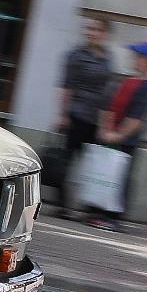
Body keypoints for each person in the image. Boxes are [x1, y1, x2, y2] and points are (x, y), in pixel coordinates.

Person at [88, 41, 147, 232]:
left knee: (121, 177)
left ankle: (113, 218)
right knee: (104, 174)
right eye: (135, 56)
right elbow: (110, 106)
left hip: (126, 141)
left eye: (139, 57)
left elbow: (137, 118)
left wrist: (119, 135)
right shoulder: (126, 82)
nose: (135, 59)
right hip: (109, 137)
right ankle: (97, 211)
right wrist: (104, 129)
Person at [52, 17, 115, 218]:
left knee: (92, 166)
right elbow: (67, 86)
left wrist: (105, 123)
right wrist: (63, 114)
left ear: (105, 34)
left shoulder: (108, 58)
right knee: (67, 161)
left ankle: (89, 208)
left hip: (95, 119)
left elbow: (106, 93)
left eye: (97, 29)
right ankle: (63, 205)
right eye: (90, 29)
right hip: (77, 114)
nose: (91, 32)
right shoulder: (76, 55)